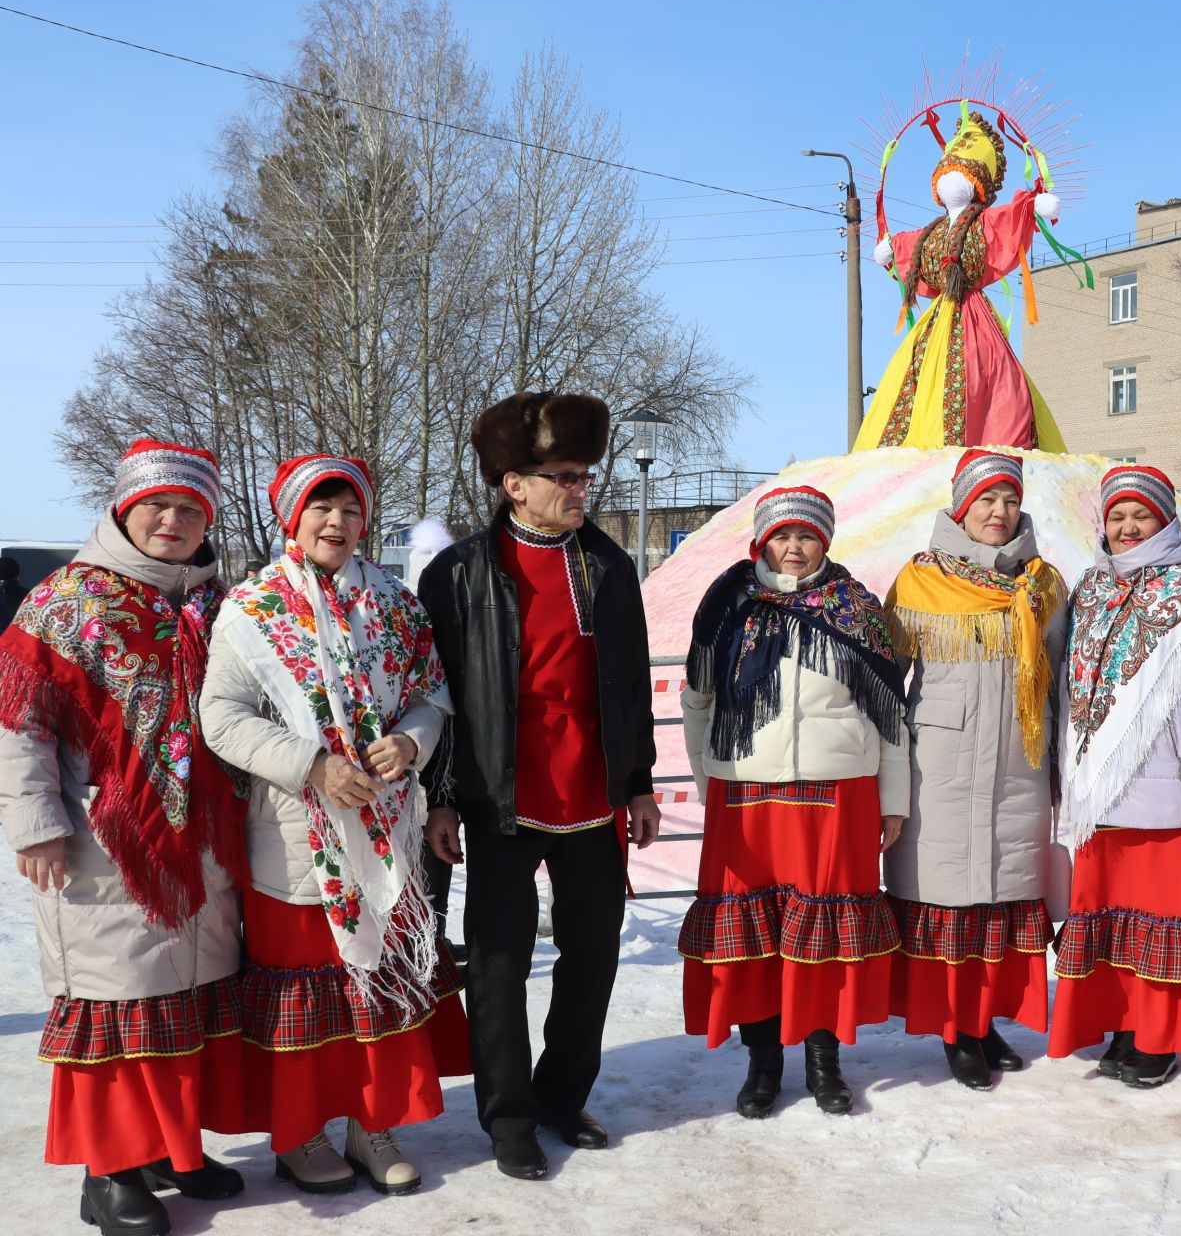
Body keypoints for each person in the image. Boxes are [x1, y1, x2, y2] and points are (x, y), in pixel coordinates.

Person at [0, 440, 250, 1236]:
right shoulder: (64, 603)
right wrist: (35, 824)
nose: (172, 521)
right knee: (120, 1006)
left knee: (183, 1004)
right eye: (157, 507)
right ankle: (107, 1172)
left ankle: (171, 1152)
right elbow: (20, 725)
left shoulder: (220, 604)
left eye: (190, 509)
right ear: (124, 509)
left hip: (205, 844)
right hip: (104, 845)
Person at [202, 455, 465, 1196]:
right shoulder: (252, 609)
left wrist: (411, 741)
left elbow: (428, 692)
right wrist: (311, 765)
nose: (336, 523)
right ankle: (301, 1133)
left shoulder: (393, 604)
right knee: (305, 992)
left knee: (375, 980)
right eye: (321, 508)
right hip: (294, 836)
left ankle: (370, 1122)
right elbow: (221, 715)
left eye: (350, 510)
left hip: (384, 829)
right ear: (293, 517)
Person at [417, 391, 659, 1181]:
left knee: (593, 960)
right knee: (497, 964)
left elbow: (627, 684)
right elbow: (439, 697)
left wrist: (641, 784)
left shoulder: (611, 565)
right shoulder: (457, 574)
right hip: (500, 799)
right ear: (512, 483)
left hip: (593, 798)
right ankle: (509, 1116)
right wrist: (444, 795)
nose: (580, 489)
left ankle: (562, 1095)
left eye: (585, 475)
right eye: (562, 475)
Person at [680, 486, 907, 1116]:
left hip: (839, 793)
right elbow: (697, 702)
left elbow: (888, 713)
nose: (794, 547)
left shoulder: (857, 609)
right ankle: (762, 1065)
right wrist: (712, 781)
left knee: (824, 937)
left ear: (825, 542)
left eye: (806, 536)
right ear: (761, 540)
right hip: (746, 795)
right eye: (782, 535)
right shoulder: (730, 606)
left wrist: (894, 801)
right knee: (754, 935)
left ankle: (823, 1061)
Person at [1048, 466, 1181, 1087]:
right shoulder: (1089, 590)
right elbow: (1065, 686)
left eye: (1141, 515)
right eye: (1118, 517)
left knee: (1163, 923)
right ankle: (1122, 1024)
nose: (1129, 528)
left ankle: (1158, 1036)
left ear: (1164, 519)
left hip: (1167, 800)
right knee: (1111, 922)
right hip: (1099, 798)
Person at [883, 449, 1065, 1089]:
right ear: (962, 507)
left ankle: (984, 1020)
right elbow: (885, 682)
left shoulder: (1042, 583)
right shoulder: (918, 579)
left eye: (1010, 500)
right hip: (941, 766)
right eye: (987, 500)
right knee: (950, 901)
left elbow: (1061, 679)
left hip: (1017, 763)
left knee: (999, 899)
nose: (999, 511)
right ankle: (957, 1031)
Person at [858, 112, 1067, 452]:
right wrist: (891, 250)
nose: (950, 179)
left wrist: (1034, 205)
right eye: (946, 172)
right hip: (937, 319)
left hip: (974, 316)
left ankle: (989, 445)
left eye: (961, 173)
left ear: (977, 184)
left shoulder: (984, 221)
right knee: (920, 377)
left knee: (990, 377)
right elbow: (910, 249)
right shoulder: (933, 231)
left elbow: (1009, 220)